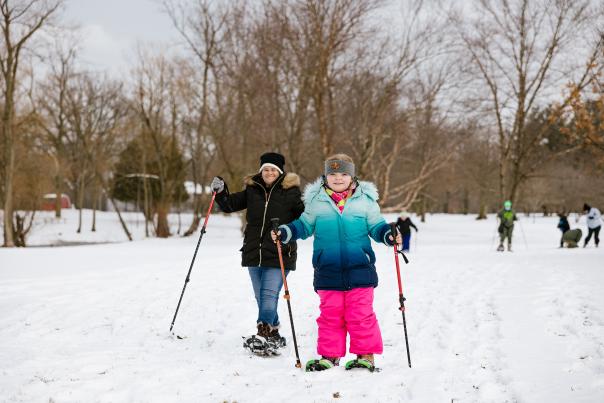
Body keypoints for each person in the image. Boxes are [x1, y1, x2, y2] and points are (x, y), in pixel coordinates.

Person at [271, 153, 402, 372]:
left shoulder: (365, 201)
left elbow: (376, 226)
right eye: (332, 174)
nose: (338, 178)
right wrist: (285, 231)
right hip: (327, 269)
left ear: (352, 177)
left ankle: (365, 356)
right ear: (325, 176)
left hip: (360, 268)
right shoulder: (316, 201)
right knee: (331, 315)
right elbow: (303, 225)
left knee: (360, 314)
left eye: (343, 173)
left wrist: (388, 235)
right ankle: (330, 356)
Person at [210, 152, 304, 353]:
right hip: (254, 252)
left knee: (269, 295)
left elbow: (304, 217)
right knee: (262, 297)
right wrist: (220, 192)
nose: (269, 172)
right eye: (265, 169)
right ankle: (274, 333)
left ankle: (263, 333)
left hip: (280, 252)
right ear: (261, 171)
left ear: (280, 172)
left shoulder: (292, 192)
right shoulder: (252, 190)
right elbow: (229, 204)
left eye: (273, 169)